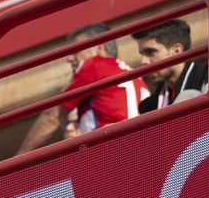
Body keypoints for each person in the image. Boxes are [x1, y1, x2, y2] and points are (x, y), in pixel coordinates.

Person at [17, 25, 148, 152]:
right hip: (142, 146)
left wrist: (19, 159)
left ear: (99, 48)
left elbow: (52, 116)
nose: (69, 58)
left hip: (111, 149)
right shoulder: (132, 75)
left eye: (76, 50)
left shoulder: (94, 64)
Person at [136, 20, 208, 113]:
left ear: (177, 51)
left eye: (150, 52)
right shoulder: (148, 106)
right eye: (142, 54)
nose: (143, 61)